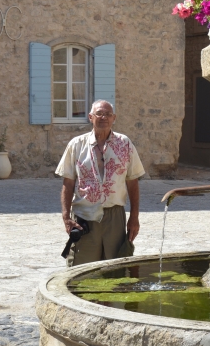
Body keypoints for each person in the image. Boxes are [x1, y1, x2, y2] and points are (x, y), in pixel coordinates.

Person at [56, 100, 145, 266]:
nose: (104, 117)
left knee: (115, 268)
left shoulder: (125, 144)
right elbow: (68, 183)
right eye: (99, 113)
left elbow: (133, 183)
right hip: (84, 217)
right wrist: (66, 216)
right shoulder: (76, 145)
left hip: (115, 217)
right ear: (91, 117)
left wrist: (134, 217)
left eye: (108, 114)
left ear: (114, 118)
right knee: (81, 269)